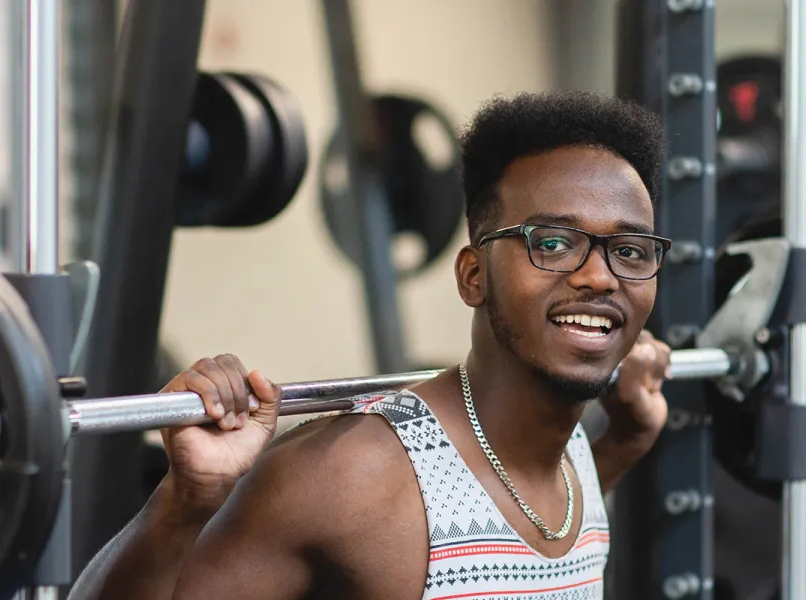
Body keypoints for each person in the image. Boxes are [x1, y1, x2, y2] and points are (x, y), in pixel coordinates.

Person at [70, 90, 673, 600]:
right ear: (473, 276)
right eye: (554, 242)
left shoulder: (573, 454)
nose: (599, 276)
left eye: (629, 251)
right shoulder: (353, 476)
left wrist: (624, 440)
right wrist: (186, 501)